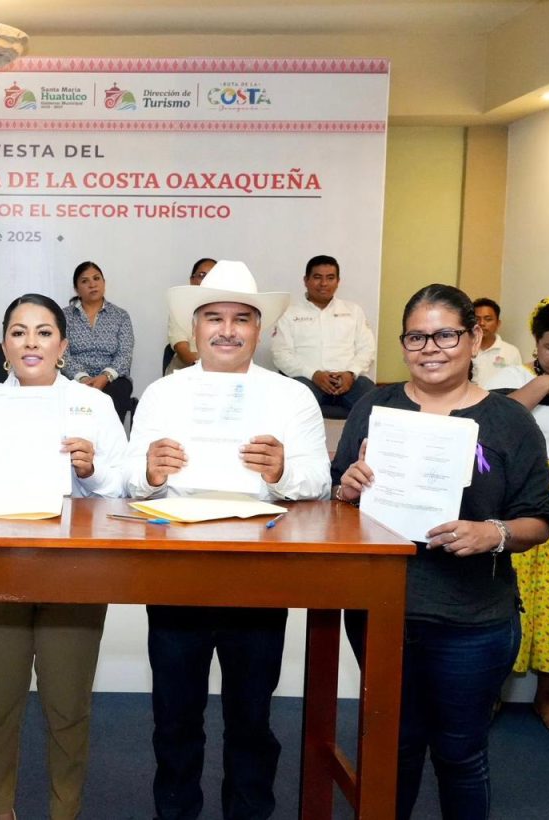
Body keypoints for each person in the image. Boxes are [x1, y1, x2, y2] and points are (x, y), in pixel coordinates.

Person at [334, 284, 549, 819]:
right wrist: (347, 488)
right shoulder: (374, 406)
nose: (430, 348)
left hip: (472, 618)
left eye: (446, 335)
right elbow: (334, 501)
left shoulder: (509, 421)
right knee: (395, 747)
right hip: (383, 610)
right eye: (416, 337)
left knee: (460, 754)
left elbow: (539, 520)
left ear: (474, 338)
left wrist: (493, 534)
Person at [126, 260, 330, 820]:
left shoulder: (291, 397)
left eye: (241, 319)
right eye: (213, 317)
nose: (227, 330)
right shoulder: (162, 393)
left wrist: (282, 471)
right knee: (174, 715)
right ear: (194, 328)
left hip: (258, 571)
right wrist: (150, 471)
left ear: (260, 330)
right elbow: (128, 478)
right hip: (177, 568)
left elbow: (320, 481)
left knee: (252, 716)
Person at [0, 293, 128, 820]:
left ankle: (64, 810)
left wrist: (91, 470)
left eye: (44, 332)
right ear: (3, 344)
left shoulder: (94, 405)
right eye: (18, 332)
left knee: (68, 705)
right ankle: (0, 809)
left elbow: (124, 488)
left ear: (63, 345)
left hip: (76, 569)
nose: (31, 343)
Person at [485, 296, 549, 731]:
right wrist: (543, 383)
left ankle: (548, 696)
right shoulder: (514, 376)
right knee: (509, 598)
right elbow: (497, 423)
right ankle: (489, 693)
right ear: (536, 344)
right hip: (521, 498)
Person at [270, 254, 376, 412]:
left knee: (373, 403)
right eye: (317, 277)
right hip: (307, 380)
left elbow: (367, 349)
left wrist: (350, 373)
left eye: (330, 278)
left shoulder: (353, 311)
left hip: (348, 381)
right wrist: (313, 374)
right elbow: (280, 354)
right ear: (306, 280)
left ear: (338, 281)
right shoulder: (288, 313)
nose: (324, 283)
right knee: (295, 402)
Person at [61, 261, 135, 421]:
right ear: (76, 289)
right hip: (75, 379)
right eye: (85, 281)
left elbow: (125, 354)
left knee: (116, 393)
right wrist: (83, 378)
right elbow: (62, 354)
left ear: (104, 283)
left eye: (96, 278)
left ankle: (110, 437)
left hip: (113, 379)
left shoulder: (120, 316)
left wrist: (105, 377)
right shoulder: (64, 316)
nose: (92, 284)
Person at [164, 258, 216, 374]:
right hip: (185, 372)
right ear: (192, 280)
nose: (207, 280)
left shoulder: (229, 310)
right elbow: (183, 352)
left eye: (212, 276)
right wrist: (209, 368)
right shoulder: (179, 309)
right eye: (202, 275)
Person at [472, 297, 523, 386]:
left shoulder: (511, 352)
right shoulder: (463, 348)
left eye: (488, 319)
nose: (482, 323)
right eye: (477, 319)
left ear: (498, 323)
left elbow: (517, 383)